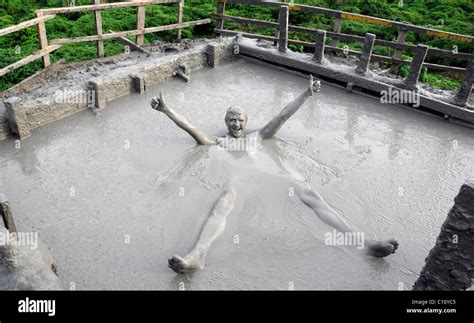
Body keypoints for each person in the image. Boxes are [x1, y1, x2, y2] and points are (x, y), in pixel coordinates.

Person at [151, 75, 398, 273]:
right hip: (240, 183)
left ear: (246, 121)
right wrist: (166, 109)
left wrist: (306, 94)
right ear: (226, 122)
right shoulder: (217, 142)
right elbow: (191, 127)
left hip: (273, 177)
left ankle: (363, 243)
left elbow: (283, 115)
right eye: (231, 120)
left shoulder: (257, 137)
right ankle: (197, 255)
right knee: (223, 204)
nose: (236, 124)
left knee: (311, 194)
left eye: (239, 120)